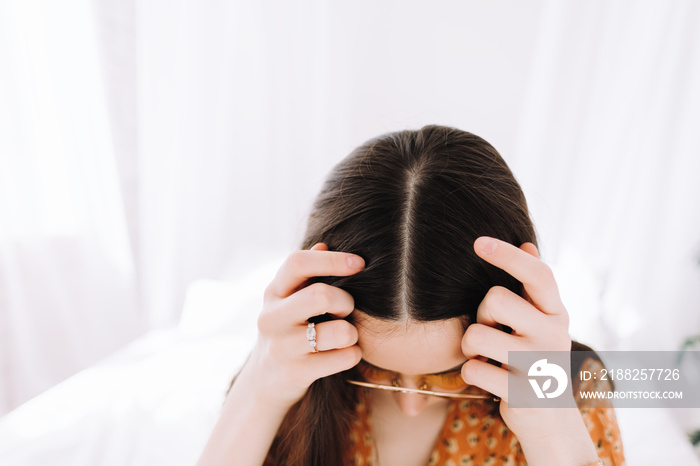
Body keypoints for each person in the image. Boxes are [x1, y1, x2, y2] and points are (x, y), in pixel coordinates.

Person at [196, 125, 625, 466]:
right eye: (376, 372)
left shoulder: (572, 385)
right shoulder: (292, 372)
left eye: (448, 375)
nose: (412, 406)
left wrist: (553, 435)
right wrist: (257, 393)